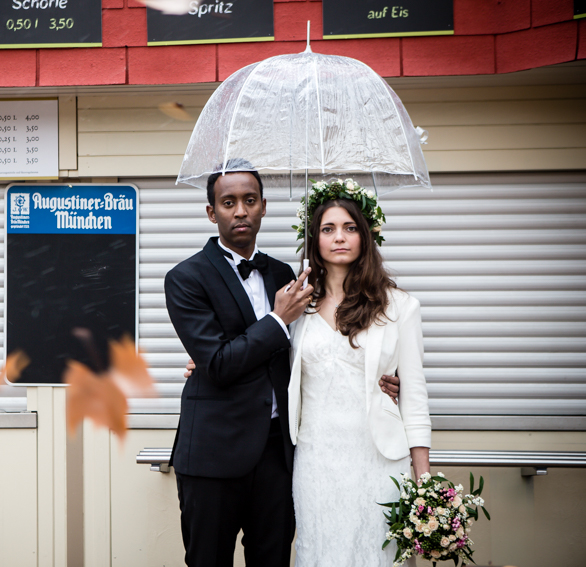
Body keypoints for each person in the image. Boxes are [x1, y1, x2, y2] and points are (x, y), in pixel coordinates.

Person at [166, 164, 402, 567]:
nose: (240, 211)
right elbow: (219, 364)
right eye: (228, 203)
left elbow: (313, 351)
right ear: (211, 213)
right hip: (213, 455)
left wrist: (383, 379)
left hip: (279, 454)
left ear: (263, 207)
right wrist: (276, 321)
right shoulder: (186, 277)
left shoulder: (285, 275)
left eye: (249, 201)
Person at [287, 179, 431, 567]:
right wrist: (203, 362)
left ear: (365, 236)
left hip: (378, 459)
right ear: (314, 238)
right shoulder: (296, 306)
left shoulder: (400, 307)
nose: (339, 237)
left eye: (350, 228)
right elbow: (264, 354)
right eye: (328, 228)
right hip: (316, 460)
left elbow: (415, 397)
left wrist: (424, 480)